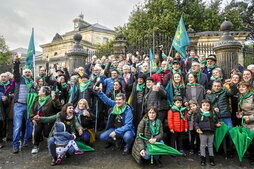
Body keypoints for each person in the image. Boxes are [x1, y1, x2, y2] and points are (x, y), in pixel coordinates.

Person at [97, 89, 135, 155]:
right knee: (102, 137)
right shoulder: (115, 105)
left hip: (126, 130)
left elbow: (128, 125)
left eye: (120, 100)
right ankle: (117, 140)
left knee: (128, 137)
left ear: (124, 100)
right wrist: (99, 92)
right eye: (116, 99)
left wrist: (116, 132)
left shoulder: (128, 110)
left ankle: (127, 146)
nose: (117, 101)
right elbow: (107, 100)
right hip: (116, 128)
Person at [12, 56, 34, 154]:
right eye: (26, 72)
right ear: (23, 74)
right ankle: (15, 145)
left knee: (29, 125)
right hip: (19, 105)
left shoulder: (33, 83)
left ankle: (25, 141)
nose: (27, 73)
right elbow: (16, 72)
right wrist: (16, 62)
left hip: (29, 107)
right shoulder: (19, 79)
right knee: (18, 126)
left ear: (31, 74)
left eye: (29, 72)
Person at [30, 86, 61, 154]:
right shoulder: (37, 98)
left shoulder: (51, 99)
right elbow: (32, 109)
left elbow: (59, 107)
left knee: (47, 133)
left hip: (48, 120)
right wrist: (32, 117)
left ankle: (51, 144)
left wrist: (54, 100)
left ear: (44, 92)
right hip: (38, 119)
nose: (38, 91)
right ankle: (36, 146)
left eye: (40, 90)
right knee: (37, 132)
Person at [195, 100, 221, 166]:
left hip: (211, 132)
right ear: (201, 106)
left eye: (207, 105)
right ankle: (203, 159)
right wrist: (197, 128)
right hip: (202, 132)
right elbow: (196, 123)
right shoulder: (199, 113)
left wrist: (216, 125)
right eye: (204, 105)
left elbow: (215, 122)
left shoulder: (212, 113)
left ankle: (211, 159)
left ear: (210, 106)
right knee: (202, 146)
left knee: (210, 145)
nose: (205, 107)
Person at [236, 81, 254, 165]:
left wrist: (250, 118)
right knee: (249, 140)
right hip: (246, 123)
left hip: (252, 122)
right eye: (239, 87)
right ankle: (251, 155)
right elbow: (244, 110)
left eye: (243, 87)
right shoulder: (241, 96)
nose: (240, 88)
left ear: (248, 88)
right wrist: (241, 114)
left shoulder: (252, 96)